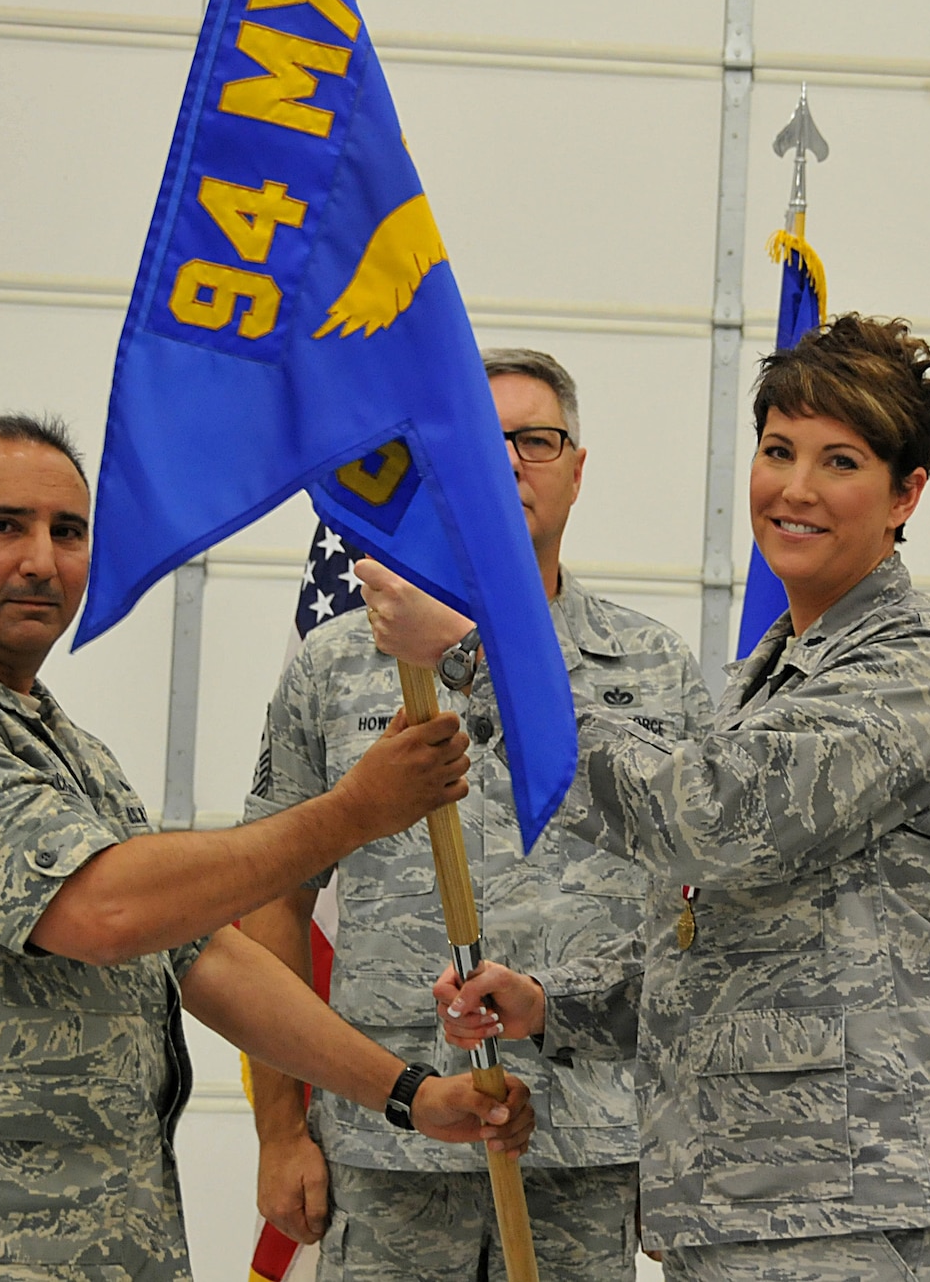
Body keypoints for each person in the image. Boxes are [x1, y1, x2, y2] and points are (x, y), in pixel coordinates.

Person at [0, 415, 532, 1282]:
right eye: (2, 525)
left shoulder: (62, 747)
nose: (41, 561)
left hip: (90, 1243)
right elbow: (103, 911)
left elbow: (205, 956)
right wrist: (352, 813)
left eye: (69, 532)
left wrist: (410, 1093)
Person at [368, 314, 930, 1282]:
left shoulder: (917, 665)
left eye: (839, 461)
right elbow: (722, 957)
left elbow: (709, 821)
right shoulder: (772, 674)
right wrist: (553, 1004)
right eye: (776, 451)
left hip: (861, 1212)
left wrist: (475, 657)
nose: (794, 489)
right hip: (751, 1211)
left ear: (905, 493)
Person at [240, 349, 709, 1281]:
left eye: (536, 441)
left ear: (578, 468)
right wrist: (281, 1131)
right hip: (391, 1145)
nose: (508, 463)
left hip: (592, 1148)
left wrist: (680, 1143)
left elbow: (695, 926)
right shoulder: (339, 664)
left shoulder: (655, 669)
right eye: (479, 442)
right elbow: (274, 900)